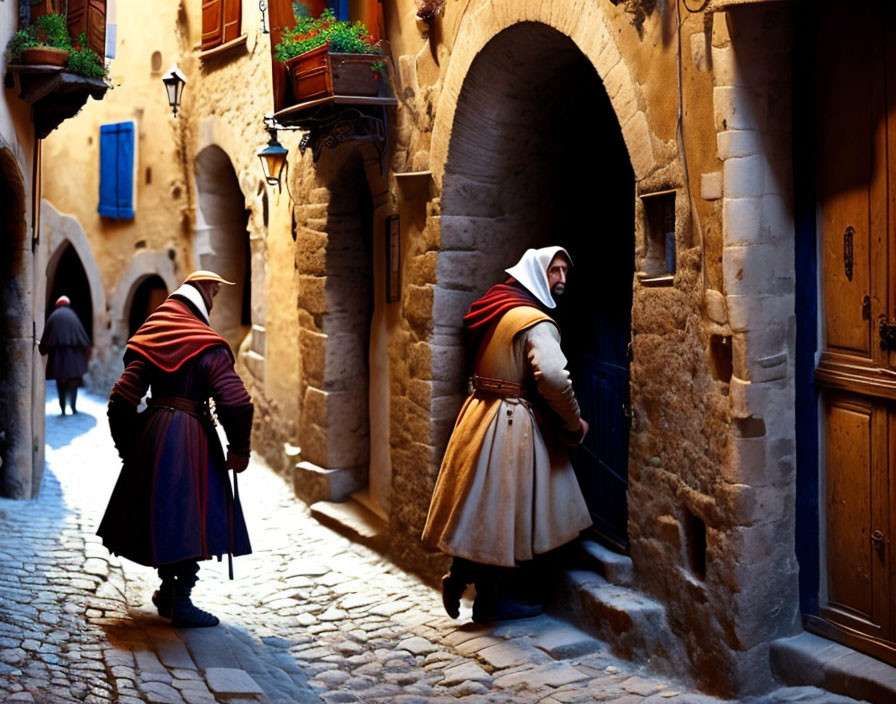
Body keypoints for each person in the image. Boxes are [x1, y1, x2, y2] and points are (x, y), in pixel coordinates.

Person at [422, 246, 592, 623]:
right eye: (554, 272)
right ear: (535, 273)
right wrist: (572, 422)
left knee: (479, 503)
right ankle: (493, 602)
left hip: (480, 411)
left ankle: (461, 574)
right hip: (511, 420)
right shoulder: (534, 321)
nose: (562, 280)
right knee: (507, 510)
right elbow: (552, 377)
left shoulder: (496, 306)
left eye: (566, 271)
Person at [97, 271, 253, 628]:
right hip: (192, 434)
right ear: (201, 293)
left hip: (154, 431)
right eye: (214, 290)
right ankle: (180, 601)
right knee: (190, 514)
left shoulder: (152, 335)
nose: (215, 296)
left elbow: (121, 399)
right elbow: (237, 402)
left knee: (171, 512)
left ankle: (169, 592)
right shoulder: (207, 345)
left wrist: (130, 445)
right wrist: (239, 448)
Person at [39, 295, 91, 415]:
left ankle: (62, 409)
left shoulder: (53, 316)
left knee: (60, 385)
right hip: (74, 358)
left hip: (58, 359)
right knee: (73, 384)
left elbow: (45, 339)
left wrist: (42, 350)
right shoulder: (73, 316)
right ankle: (73, 407)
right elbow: (84, 339)